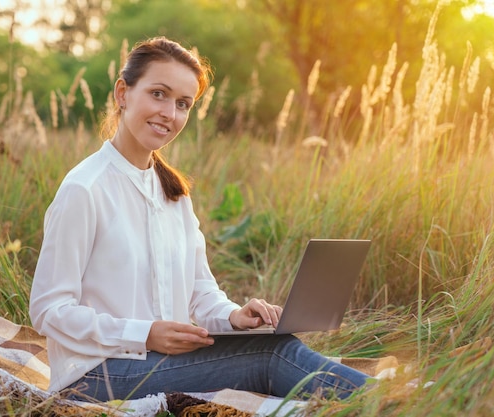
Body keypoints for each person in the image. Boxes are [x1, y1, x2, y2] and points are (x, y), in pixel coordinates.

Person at [29, 36, 370, 402]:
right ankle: (391, 401)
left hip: (160, 362)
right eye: (158, 94)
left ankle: (379, 399)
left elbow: (201, 294)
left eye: (182, 104)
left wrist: (236, 317)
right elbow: (49, 311)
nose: (169, 114)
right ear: (122, 93)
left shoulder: (173, 193)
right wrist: (144, 334)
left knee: (274, 343)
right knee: (269, 356)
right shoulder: (84, 189)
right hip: (96, 373)